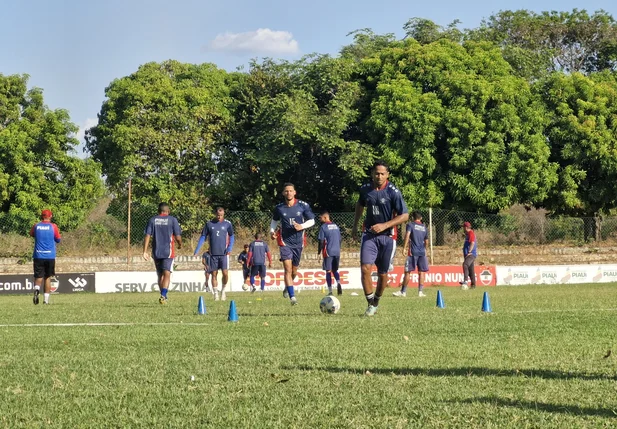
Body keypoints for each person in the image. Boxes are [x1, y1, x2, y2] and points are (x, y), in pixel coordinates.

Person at [352, 160, 409, 317]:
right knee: (365, 269)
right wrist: (356, 225)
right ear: (372, 174)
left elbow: (405, 215)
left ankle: (376, 302)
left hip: (388, 237)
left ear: (387, 175)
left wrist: (385, 225)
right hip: (369, 235)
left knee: (383, 274)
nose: (379, 176)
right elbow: (360, 204)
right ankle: (370, 303)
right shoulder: (365, 190)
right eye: (376, 173)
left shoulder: (393, 192)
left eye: (382, 173)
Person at [270, 183, 315, 305]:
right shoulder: (279, 208)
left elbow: (312, 220)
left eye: (291, 191)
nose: (288, 193)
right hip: (284, 242)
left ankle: (287, 287)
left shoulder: (302, 206)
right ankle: (292, 297)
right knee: (287, 269)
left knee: (294, 271)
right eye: (286, 191)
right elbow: (274, 221)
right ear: (283, 193)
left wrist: (302, 226)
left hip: (298, 242)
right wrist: (272, 232)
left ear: (294, 192)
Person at [142, 203, 182, 304]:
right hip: (168, 251)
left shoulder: (152, 220)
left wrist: (145, 251)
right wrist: (180, 244)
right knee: (167, 273)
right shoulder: (172, 220)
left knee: (160, 274)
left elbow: (147, 236)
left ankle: (163, 296)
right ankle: (163, 295)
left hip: (156, 251)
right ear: (168, 211)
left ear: (158, 211)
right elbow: (177, 236)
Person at [193, 207, 234, 301]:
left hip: (224, 254)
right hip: (213, 254)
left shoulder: (227, 224)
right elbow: (203, 236)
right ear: (215, 214)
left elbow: (232, 236)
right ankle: (216, 293)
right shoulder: (209, 224)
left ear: (223, 214)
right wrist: (197, 250)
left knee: (225, 273)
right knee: (214, 274)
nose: (219, 217)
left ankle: (223, 291)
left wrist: (230, 247)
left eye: (221, 215)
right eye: (218, 215)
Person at [393, 211, 429, 298]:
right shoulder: (424, 227)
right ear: (421, 218)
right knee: (422, 272)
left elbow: (407, 235)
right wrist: (425, 249)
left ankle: (403, 292)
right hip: (422, 252)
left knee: (407, 271)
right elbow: (426, 241)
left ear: (413, 218)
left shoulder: (411, 225)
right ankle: (420, 292)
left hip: (413, 251)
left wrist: (404, 248)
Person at [30, 209, 61, 305]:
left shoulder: (36, 226)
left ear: (42, 216)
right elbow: (58, 240)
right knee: (47, 277)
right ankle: (46, 300)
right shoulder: (53, 226)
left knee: (38, 276)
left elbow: (31, 234)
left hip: (38, 255)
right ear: (50, 216)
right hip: (50, 255)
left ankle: (36, 289)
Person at [317, 210, 343, 296]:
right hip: (337, 251)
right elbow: (340, 239)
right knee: (335, 269)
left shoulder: (323, 227)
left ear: (325, 217)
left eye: (320, 218)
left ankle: (330, 291)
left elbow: (321, 241)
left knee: (328, 271)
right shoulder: (336, 226)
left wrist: (319, 253)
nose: (320, 219)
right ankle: (338, 282)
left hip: (328, 251)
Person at [460, 221, 477, 290]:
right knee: (471, 270)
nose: (463, 229)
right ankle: (473, 285)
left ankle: (465, 281)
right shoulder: (468, 234)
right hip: (468, 254)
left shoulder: (471, 233)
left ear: (466, 227)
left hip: (471, 254)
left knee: (465, 265)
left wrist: (469, 251)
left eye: (463, 227)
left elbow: (472, 242)